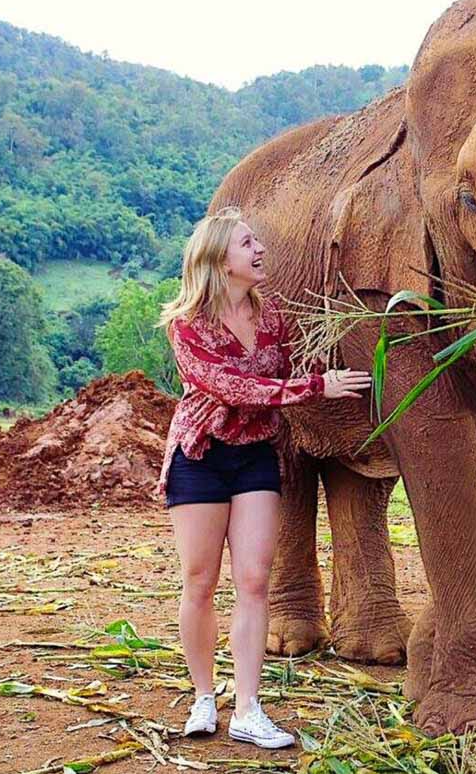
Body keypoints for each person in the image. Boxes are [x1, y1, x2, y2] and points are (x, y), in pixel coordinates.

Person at [156, 207, 370, 748]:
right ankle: (205, 696)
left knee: (255, 580)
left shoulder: (272, 315)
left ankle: (249, 708)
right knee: (200, 581)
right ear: (218, 260)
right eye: (248, 243)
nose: (260, 249)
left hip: (254, 455)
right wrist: (317, 387)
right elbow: (233, 389)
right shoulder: (188, 324)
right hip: (201, 454)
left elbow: (286, 372)